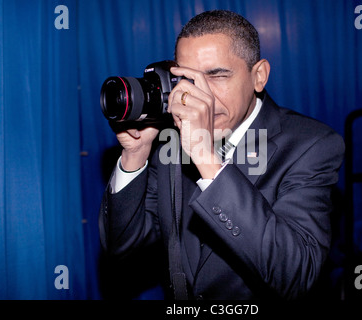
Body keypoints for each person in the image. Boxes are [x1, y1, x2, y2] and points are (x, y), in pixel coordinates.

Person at [99, 10, 344, 300]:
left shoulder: (311, 144)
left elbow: (295, 275)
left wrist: (205, 155)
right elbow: (122, 248)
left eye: (217, 75)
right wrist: (135, 155)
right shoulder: (169, 142)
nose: (200, 95)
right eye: (187, 79)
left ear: (259, 76)